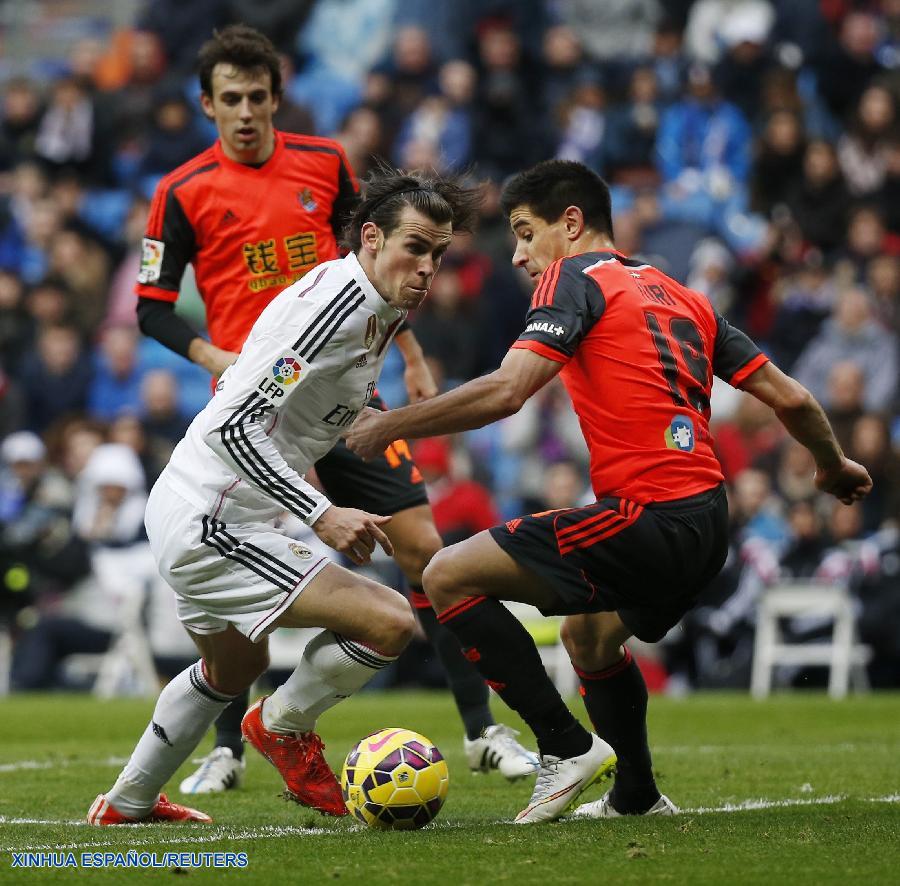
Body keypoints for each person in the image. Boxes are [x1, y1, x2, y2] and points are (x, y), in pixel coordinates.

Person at [345, 159, 873, 824]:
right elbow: (792, 398)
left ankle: (565, 748)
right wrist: (833, 466)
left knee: (447, 575)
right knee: (589, 640)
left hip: (648, 516)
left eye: (525, 233)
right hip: (710, 525)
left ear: (571, 224)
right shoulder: (685, 297)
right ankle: (637, 796)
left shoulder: (573, 277)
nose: (518, 255)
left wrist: (387, 426)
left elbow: (509, 390)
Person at [135, 25, 539, 796]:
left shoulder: (324, 165)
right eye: (231, 99)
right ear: (206, 106)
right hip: (257, 410)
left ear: (277, 98)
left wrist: (412, 357)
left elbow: (391, 258)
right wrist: (220, 361)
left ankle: (483, 730)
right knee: (239, 576)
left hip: (348, 398)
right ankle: (230, 746)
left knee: (425, 549)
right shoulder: (181, 192)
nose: (247, 112)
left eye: (259, 96)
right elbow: (152, 309)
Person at [88, 165, 481, 826]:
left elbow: (295, 416)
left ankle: (127, 804)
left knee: (234, 663)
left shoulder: (377, 308)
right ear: (371, 239)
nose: (427, 268)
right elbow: (234, 426)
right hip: (212, 515)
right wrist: (321, 513)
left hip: (204, 504)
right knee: (388, 621)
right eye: (416, 247)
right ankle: (283, 726)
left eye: (439, 255)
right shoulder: (333, 310)